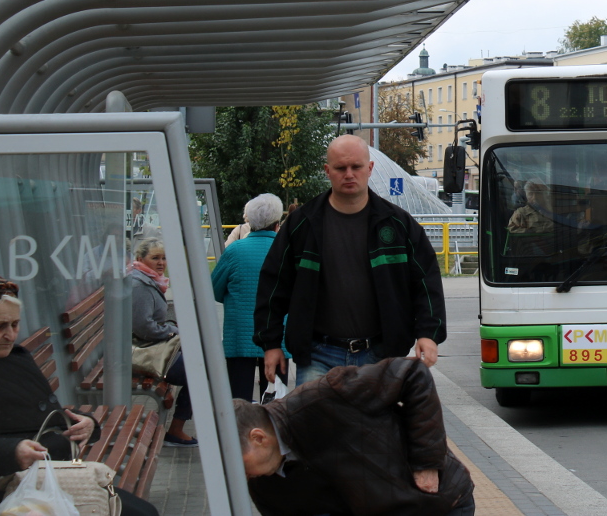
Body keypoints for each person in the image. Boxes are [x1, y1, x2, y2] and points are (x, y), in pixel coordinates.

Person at [255, 135, 445, 386]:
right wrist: (271, 344)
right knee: (316, 426)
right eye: (340, 168)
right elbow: (273, 284)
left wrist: (428, 334)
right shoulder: (302, 224)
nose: (349, 174)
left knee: (375, 426)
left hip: (381, 355)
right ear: (327, 171)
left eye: (356, 167)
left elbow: (426, 282)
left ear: (369, 169)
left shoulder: (398, 225)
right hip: (317, 355)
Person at [0, 275, 159, 516]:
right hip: (8, 483)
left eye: (15, 325)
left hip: (45, 470)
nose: (10, 335)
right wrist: (12, 451)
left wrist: (87, 423)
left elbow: (48, 412)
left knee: (144, 512)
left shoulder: (15, 357)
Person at [233, 359, 474, 516]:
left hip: (440, 503)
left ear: (258, 437)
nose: (241, 476)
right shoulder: (263, 486)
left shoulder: (322, 398)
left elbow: (413, 374)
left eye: (239, 463)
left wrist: (427, 463)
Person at [213, 194, 284, 402]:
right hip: (277, 337)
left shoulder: (234, 251)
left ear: (249, 221)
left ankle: (239, 435)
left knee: (238, 400)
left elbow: (215, 288)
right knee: (275, 403)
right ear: (277, 223)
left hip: (239, 336)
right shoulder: (286, 251)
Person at [129, 238, 196, 447]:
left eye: (164, 258)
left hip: (148, 346)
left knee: (200, 362)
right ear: (140, 259)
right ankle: (176, 429)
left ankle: (179, 426)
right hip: (141, 351)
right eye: (155, 258)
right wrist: (173, 331)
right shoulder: (139, 284)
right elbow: (144, 328)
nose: (161, 263)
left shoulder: (147, 279)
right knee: (199, 373)